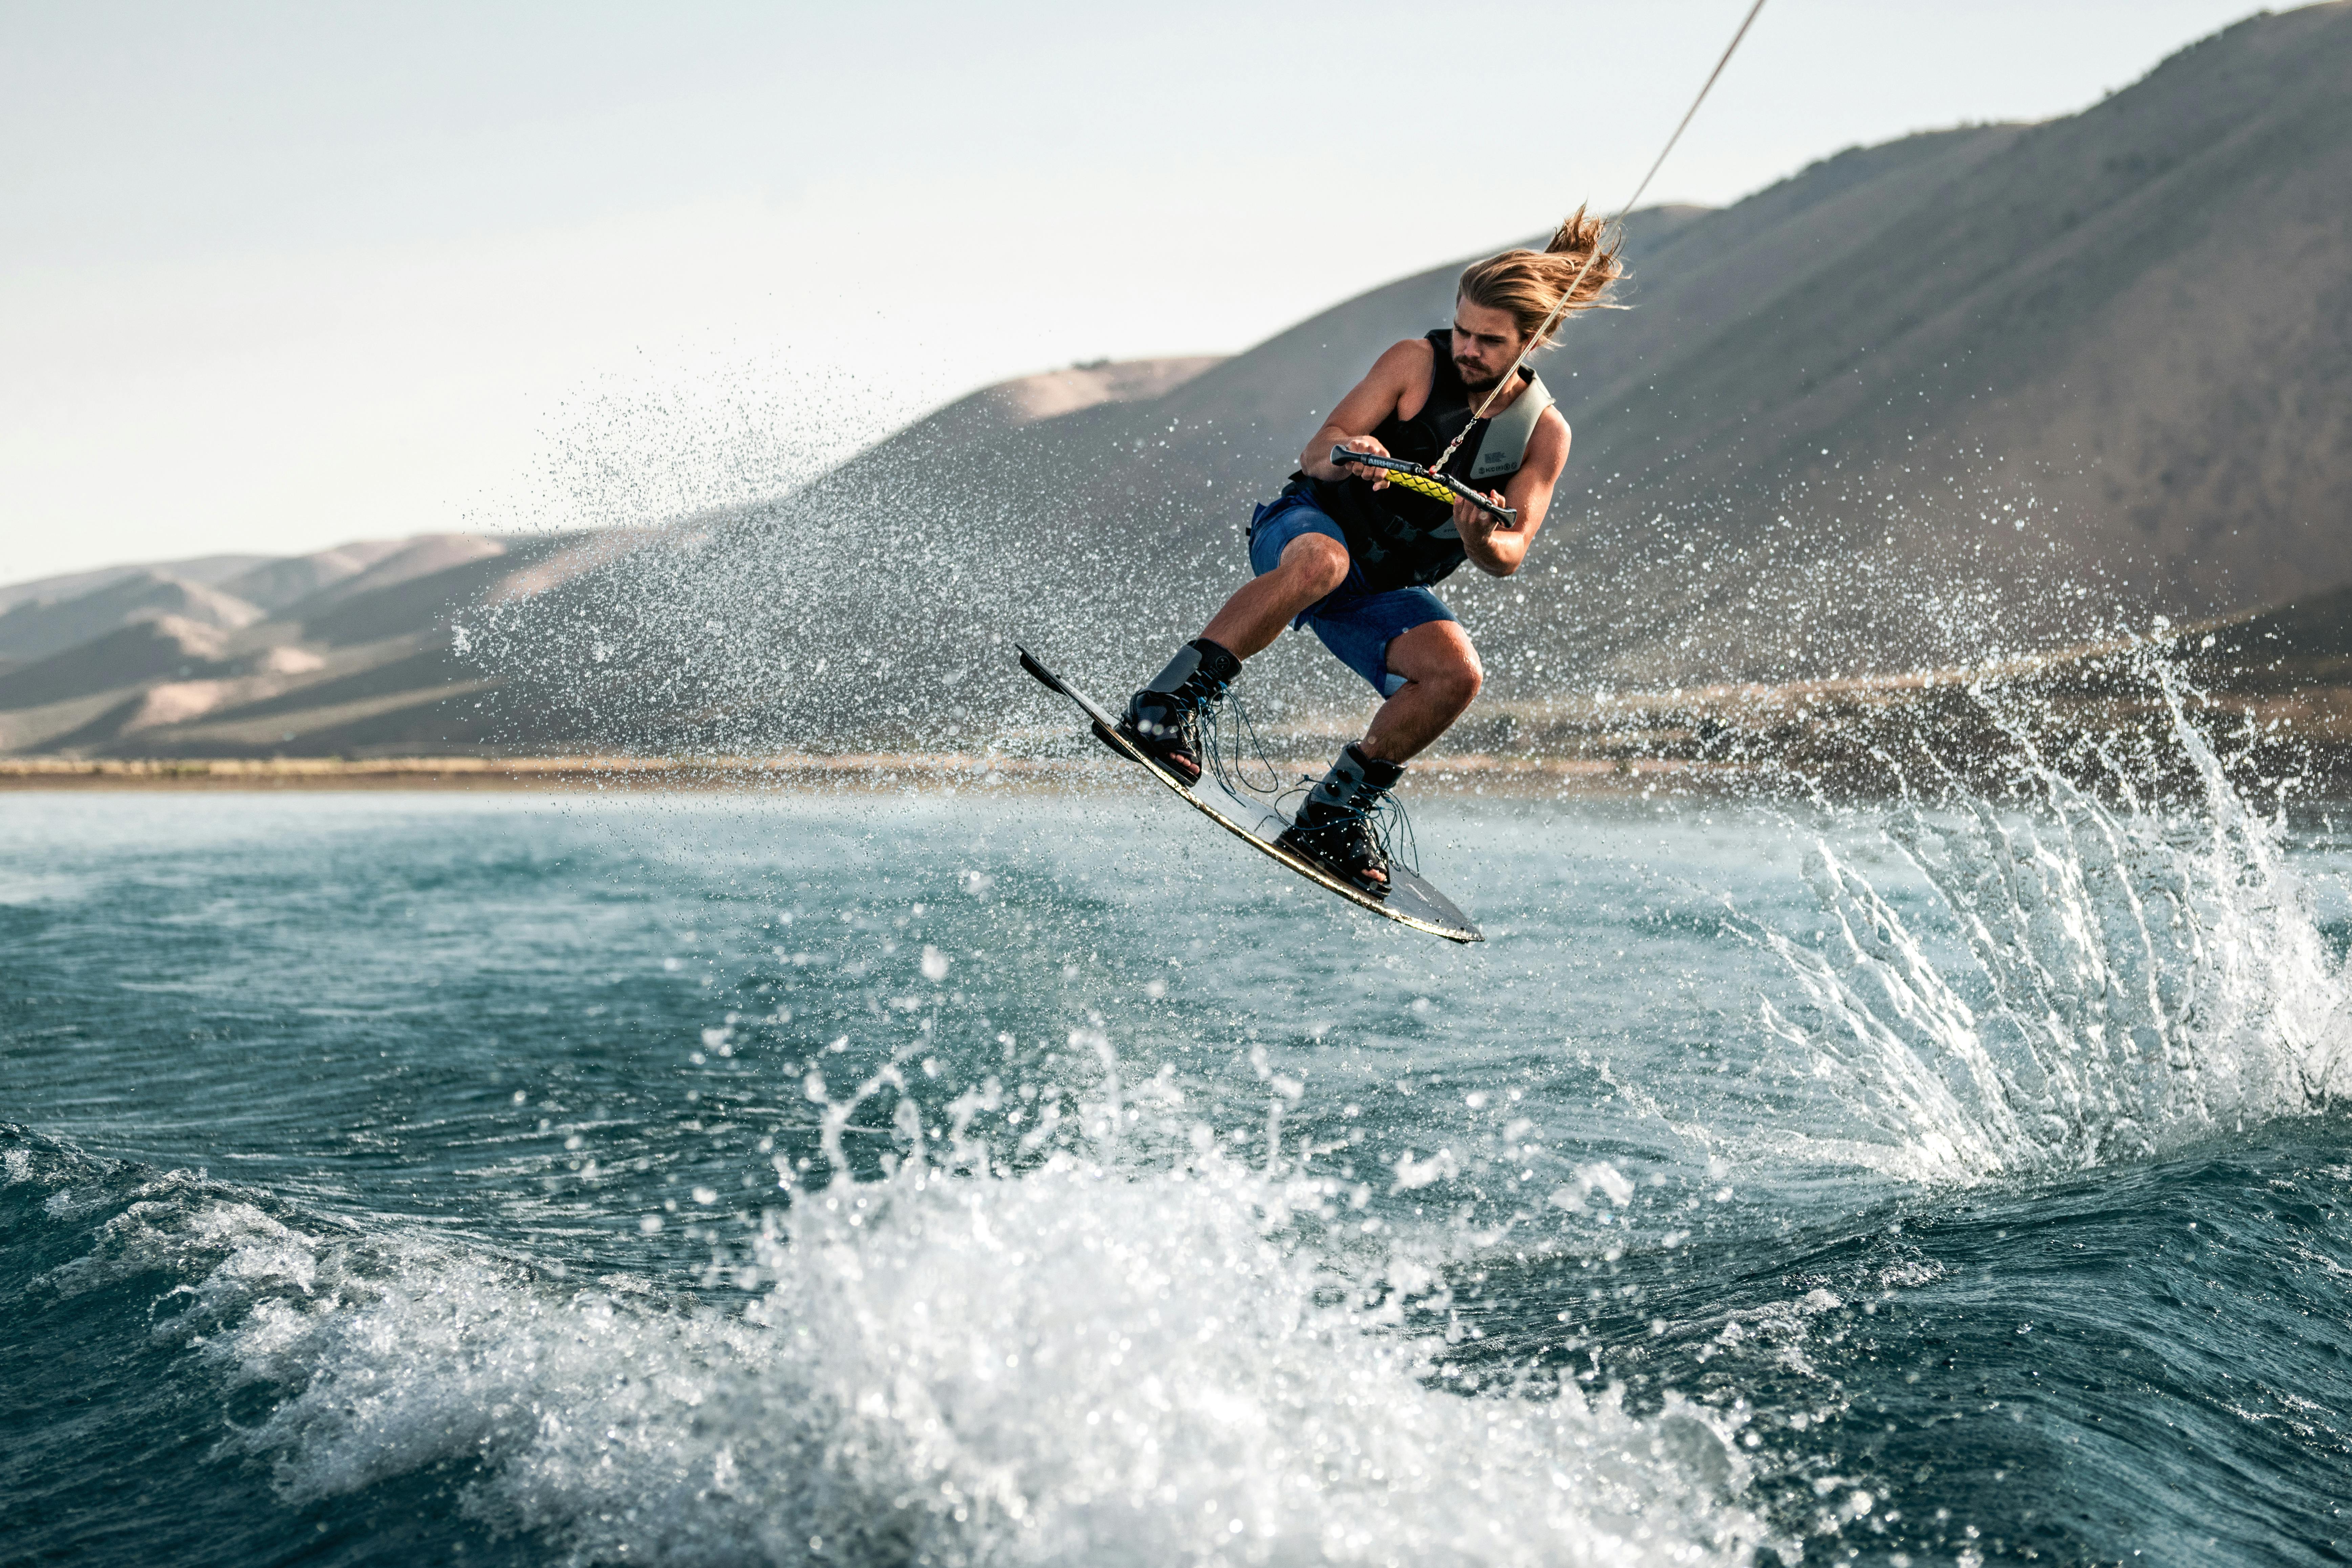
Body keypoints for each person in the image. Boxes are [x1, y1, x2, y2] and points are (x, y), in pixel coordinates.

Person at [1120, 211, 1625, 893]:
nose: (1467, 348)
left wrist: (1481, 535)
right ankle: (1165, 707)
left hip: (1382, 586)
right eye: (1464, 329)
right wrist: (1352, 452)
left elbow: (1511, 551)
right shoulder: (1414, 363)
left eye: (1488, 341)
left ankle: (1333, 815)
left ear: (1532, 340)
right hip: (1304, 528)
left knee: (1456, 675)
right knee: (1322, 564)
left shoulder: (1543, 434)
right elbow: (1317, 450)